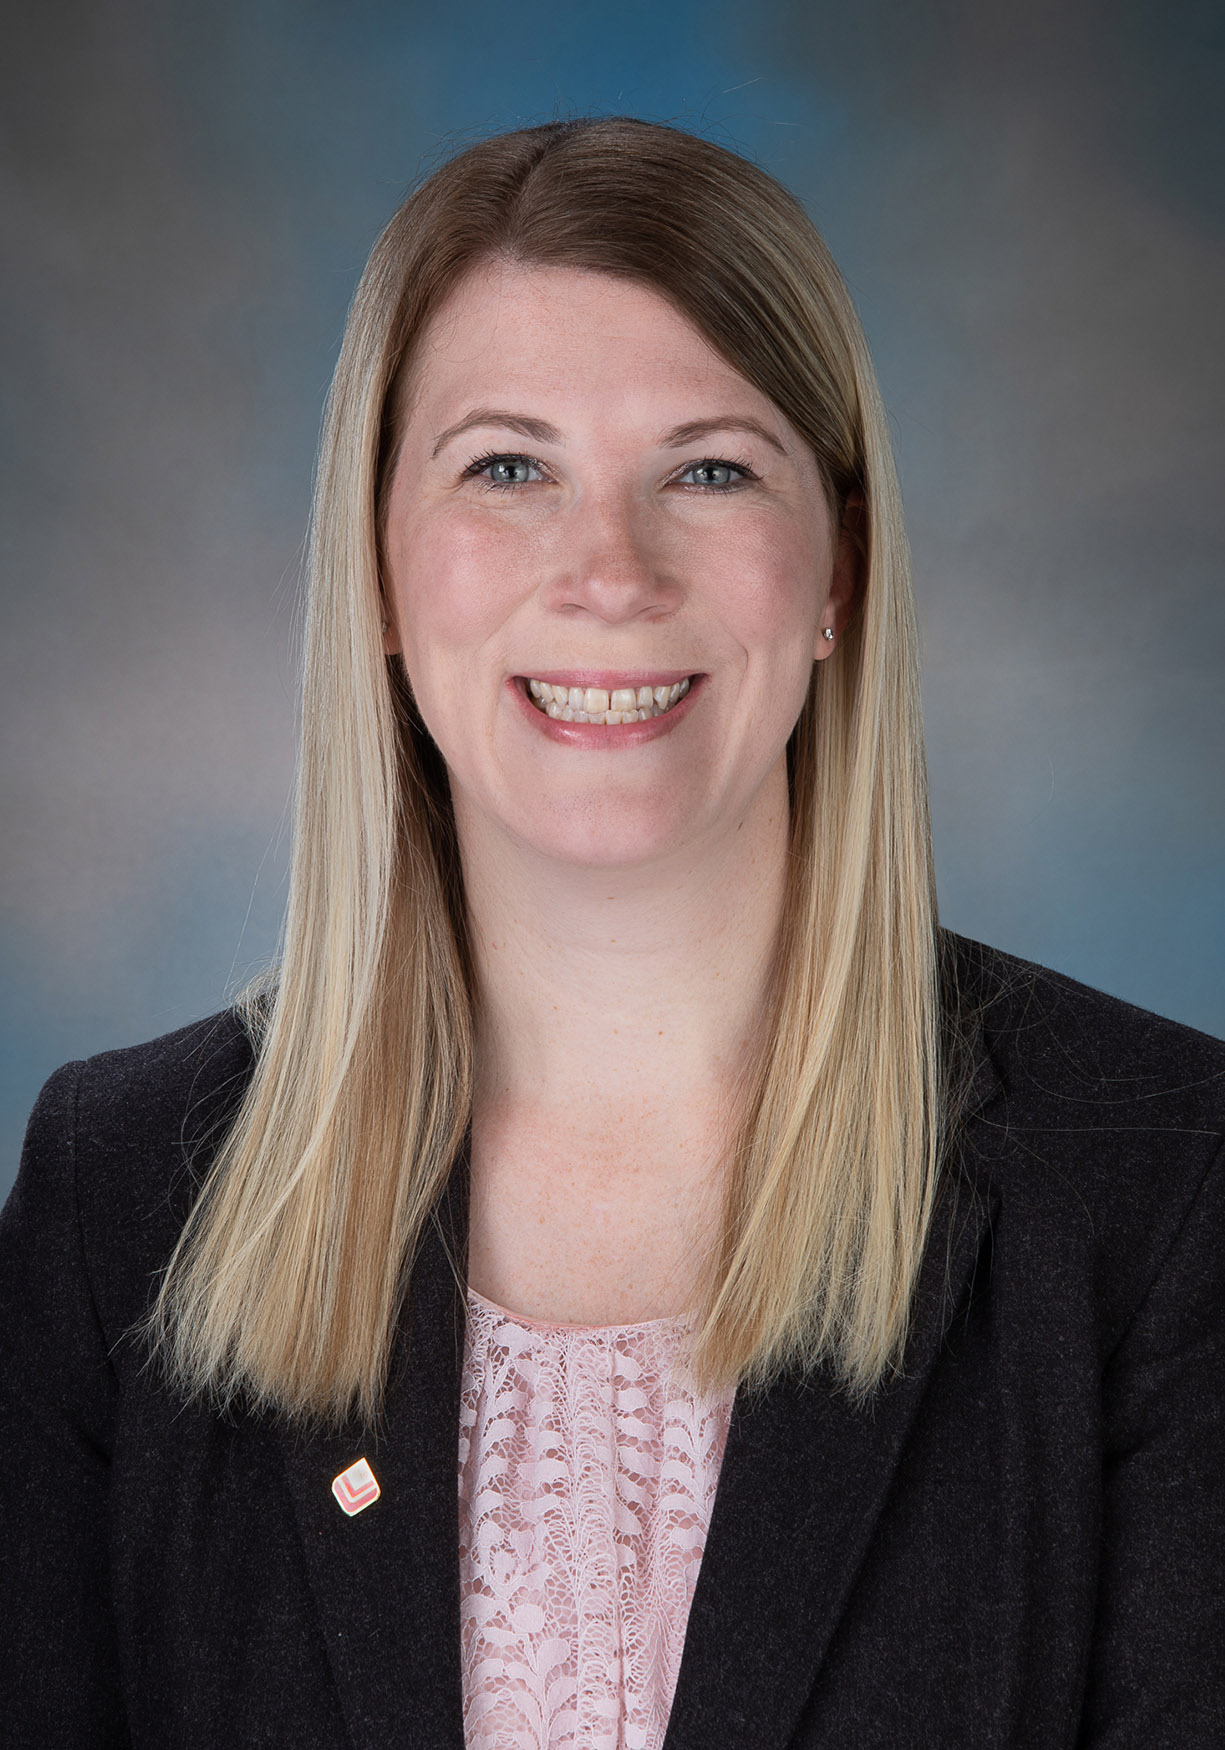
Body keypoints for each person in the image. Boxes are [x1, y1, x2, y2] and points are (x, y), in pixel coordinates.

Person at [1, 116, 1222, 1750]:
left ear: (839, 566)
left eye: (708, 469)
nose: (608, 572)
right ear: (374, 562)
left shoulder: (1158, 1184)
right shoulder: (117, 1194)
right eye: (506, 466)